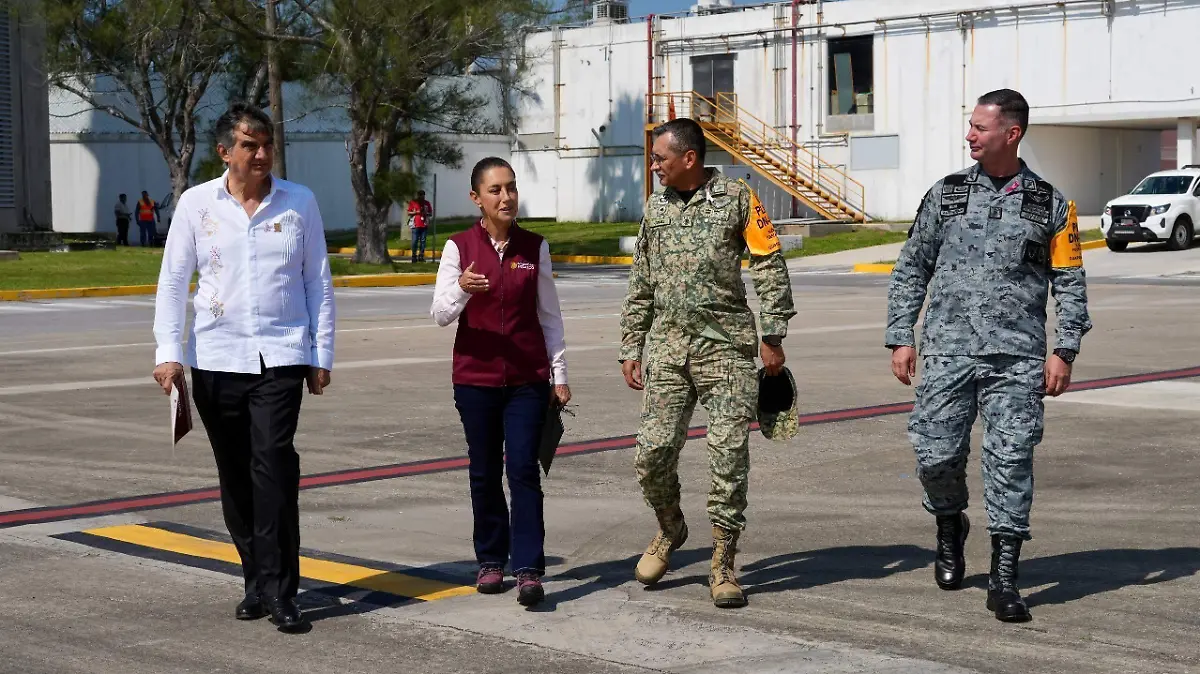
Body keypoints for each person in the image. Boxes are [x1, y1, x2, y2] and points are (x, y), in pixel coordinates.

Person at [886, 89, 1091, 623]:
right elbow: (912, 266)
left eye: (980, 127)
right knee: (934, 455)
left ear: (1011, 133)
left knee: (1011, 462)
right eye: (970, 126)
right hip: (948, 352)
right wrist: (901, 335)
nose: (969, 135)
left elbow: (1070, 282)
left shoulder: (1050, 204)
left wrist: (1064, 349)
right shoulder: (946, 194)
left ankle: (1004, 578)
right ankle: (949, 524)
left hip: (1017, 359)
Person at [151, 103, 336, 633]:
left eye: (266, 144)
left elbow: (317, 281)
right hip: (216, 358)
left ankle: (280, 590)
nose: (261, 154)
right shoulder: (196, 204)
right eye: (249, 145)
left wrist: (320, 354)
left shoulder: (299, 202)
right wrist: (168, 352)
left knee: (273, 466)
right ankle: (255, 579)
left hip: (281, 355)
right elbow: (173, 280)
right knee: (235, 475)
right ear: (224, 152)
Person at [619, 118, 795, 609]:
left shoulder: (738, 198)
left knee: (727, 458)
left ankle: (723, 561)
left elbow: (768, 264)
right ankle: (670, 528)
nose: (654, 166)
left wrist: (773, 335)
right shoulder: (655, 208)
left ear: (689, 158)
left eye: (660, 158)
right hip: (668, 351)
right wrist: (631, 343)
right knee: (651, 454)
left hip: (727, 351)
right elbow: (642, 280)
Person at [431, 157, 569, 607]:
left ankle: (528, 568)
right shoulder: (458, 247)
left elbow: (549, 315)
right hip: (476, 379)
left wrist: (559, 374)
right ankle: (491, 560)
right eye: (495, 190)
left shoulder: (534, 247)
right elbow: (439, 314)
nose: (506, 197)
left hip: (527, 379)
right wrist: (461, 290)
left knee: (524, 469)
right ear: (477, 198)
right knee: (485, 470)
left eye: (511, 187)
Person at [407, 190, 433, 263]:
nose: (422, 197)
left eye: (423, 195)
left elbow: (430, 213)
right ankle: (414, 256)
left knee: (423, 241)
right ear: (418, 195)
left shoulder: (427, 203)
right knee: (414, 241)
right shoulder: (413, 202)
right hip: (415, 225)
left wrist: (425, 213)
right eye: (420, 195)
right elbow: (409, 212)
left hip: (424, 224)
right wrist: (416, 212)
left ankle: (421, 256)